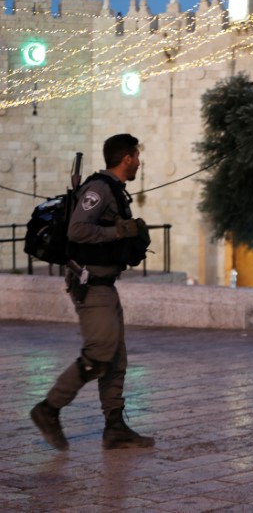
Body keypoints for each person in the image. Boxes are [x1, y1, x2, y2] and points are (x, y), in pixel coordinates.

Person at [30, 133, 155, 451]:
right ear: (127, 157)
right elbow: (77, 229)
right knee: (99, 353)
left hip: (105, 284)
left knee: (115, 358)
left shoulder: (116, 191)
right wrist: (119, 230)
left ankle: (115, 428)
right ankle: (48, 409)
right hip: (90, 285)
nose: (139, 162)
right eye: (137, 156)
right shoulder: (99, 189)